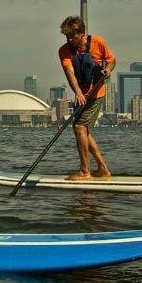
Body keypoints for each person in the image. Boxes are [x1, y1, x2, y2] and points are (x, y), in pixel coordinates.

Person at [58, 16, 116, 181]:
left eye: (72, 36)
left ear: (82, 34)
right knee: (82, 130)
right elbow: (70, 73)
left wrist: (108, 69)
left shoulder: (98, 42)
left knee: (79, 128)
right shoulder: (64, 51)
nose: (69, 40)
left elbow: (112, 60)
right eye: (67, 36)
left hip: (96, 92)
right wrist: (77, 92)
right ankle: (103, 169)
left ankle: (85, 172)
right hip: (81, 94)